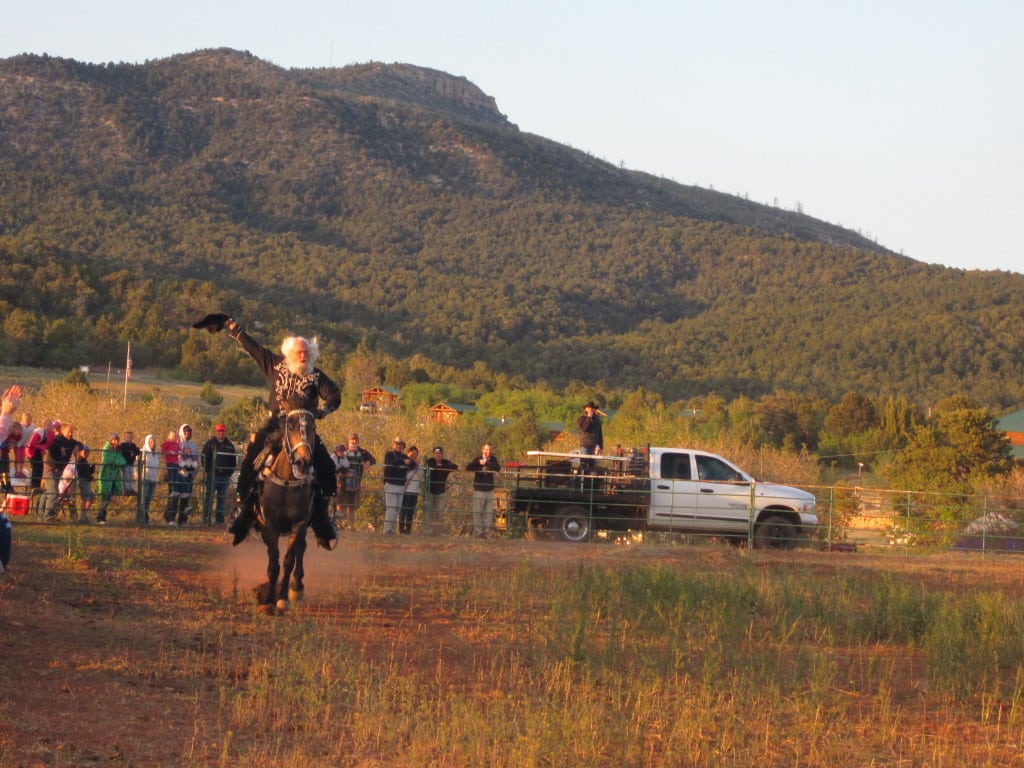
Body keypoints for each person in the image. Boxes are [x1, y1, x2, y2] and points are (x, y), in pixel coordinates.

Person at [219, 316, 340, 548]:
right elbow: (254, 349)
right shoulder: (275, 365)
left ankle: (323, 522)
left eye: (306, 352)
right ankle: (244, 513)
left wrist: (323, 411)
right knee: (250, 461)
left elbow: (334, 395)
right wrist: (235, 330)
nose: (303, 356)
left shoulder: (316, 376)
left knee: (327, 466)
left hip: (304, 429)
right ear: (289, 354)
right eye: (299, 352)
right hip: (276, 425)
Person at [336, 433, 375, 530]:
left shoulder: (362, 452)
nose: (354, 442)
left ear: (358, 441)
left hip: (355, 482)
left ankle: (351, 526)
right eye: (352, 441)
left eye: (355, 441)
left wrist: (368, 462)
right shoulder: (342, 450)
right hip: (342, 482)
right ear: (348, 441)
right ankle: (339, 525)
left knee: (351, 505)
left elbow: (373, 459)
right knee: (340, 504)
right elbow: (336, 463)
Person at [201, 424, 237, 524]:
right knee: (209, 497)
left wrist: (229, 472)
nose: (221, 433)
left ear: (225, 432)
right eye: (219, 431)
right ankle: (206, 519)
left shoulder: (229, 445)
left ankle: (219, 520)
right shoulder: (209, 444)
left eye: (222, 431)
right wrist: (208, 471)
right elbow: (204, 458)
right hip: (213, 475)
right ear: (215, 432)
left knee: (222, 499)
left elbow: (233, 460)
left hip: (225, 476)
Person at [465, 443, 501, 538]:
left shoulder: (493, 459)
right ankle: (478, 533)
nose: (488, 451)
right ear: (482, 450)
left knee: (488, 513)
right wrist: (479, 464)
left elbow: (498, 468)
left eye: (489, 449)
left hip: (489, 490)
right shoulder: (477, 459)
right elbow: (468, 467)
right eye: (486, 449)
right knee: (477, 512)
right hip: (479, 490)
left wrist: (486, 463)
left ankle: (486, 533)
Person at [43, 422, 77, 520]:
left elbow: (78, 443)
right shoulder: (57, 439)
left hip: (59, 470)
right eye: (68, 432)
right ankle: (48, 515)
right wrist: (60, 447)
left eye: (72, 432)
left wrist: (78, 446)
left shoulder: (70, 442)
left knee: (51, 492)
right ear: (62, 431)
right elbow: (50, 445)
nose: (71, 434)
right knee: (53, 492)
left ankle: (48, 514)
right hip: (51, 468)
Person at [424, 446, 458, 536]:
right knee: (430, 511)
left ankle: (438, 531)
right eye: (436, 453)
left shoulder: (445, 462)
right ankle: (429, 531)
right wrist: (441, 467)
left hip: (441, 491)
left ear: (442, 454)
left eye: (439, 453)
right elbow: (430, 466)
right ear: (433, 454)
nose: (437, 455)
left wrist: (443, 466)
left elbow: (455, 466)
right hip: (430, 491)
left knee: (440, 512)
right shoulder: (430, 461)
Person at [382, 437, 411, 535]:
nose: (398, 446)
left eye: (400, 444)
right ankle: (387, 529)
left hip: (400, 485)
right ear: (393, 445)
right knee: (391, 508)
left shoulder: (404, 456)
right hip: (390, 484)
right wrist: (403, 462)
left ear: (403, 446)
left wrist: (410, 461)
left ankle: (392, 529)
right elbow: (391, 463)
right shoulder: (389, 455)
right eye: (397, 444)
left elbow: (413, 464)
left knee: (397, 509)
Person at [96, 433, 126, 525]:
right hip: (106, 476)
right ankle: (100, 517)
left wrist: (115, 462)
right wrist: (116, 462)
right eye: (114, 440)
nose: (116, 442)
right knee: (105, 497)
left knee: (108, 497)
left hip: (114, 477)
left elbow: (123, 461)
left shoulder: (118, 450)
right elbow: (108, 460)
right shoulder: (106, 449)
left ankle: (102, 517)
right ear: (110, 440)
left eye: (117, 440)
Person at [173, 424, 199, 526]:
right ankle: (170, 518)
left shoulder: (194, 445)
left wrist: (193, 473)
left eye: (189, 431)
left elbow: (196, 459)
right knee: (175, 497)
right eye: (185, 431)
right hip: (179, 473)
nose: (187, 433)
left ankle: (182, 520)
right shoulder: (177, 443)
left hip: (189, 474)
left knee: (185, 498)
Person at [399, 446, 422, 534]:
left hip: (415, 491)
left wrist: (418, 467)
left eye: (415, 455)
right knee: (403, 511)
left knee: (410, 512)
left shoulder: (419, 466)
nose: (414, 456)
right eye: (412, 454)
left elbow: (421, 478)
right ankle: (401, 529)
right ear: (408, 454)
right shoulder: (406, 464)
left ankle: (408, 530)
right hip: (405, 490)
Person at [139, 434, 161, 524]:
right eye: (151, 441)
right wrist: (137, 473)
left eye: (154, 441)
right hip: (145, 477)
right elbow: (137, 463)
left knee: (148, 498)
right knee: (143, 498)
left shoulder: (156, 453)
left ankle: (145, 517)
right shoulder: (143, 451)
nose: (153, 443)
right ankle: (141, 517)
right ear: (147, 442)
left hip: (153, 478)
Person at [72, 444, 95, 523]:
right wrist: (90, 477)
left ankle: (83, 515)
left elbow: (88, 472)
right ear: (80, 452)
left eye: (88, 452)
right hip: (83, 481)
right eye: (85, 452)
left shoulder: (84, 461)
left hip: (86, 481)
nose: (87, 454)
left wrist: (92, 468)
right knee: (86, 498)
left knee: (90, 498)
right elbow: (82, 474)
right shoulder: (80, 461)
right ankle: (82, 517)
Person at [160, 429, 180, 525]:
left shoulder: (176, 444)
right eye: (173, 436)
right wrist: (169, 452)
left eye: (175, 436)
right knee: (171, 476)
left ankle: (174, 486)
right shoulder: (166, 443)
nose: (174, 438)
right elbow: (163, 451)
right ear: (169, 436)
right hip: (170, 463)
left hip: (176, 464)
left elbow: (180, 451)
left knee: (175, 476)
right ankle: (172, 486)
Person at [119, 431, 141, 495]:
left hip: (131, 463)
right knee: (126, 477)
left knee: (131, 476)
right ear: (125, 437)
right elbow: (125, 451)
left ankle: (131, 489)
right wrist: (131, 452)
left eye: (130, 437)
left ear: (132, 438)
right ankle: (126, 490)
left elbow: (137, 451)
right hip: (125, 464)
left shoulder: (133, 445)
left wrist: (135, 452)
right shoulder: (123, 445)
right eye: (127, 437)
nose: (129, 438)